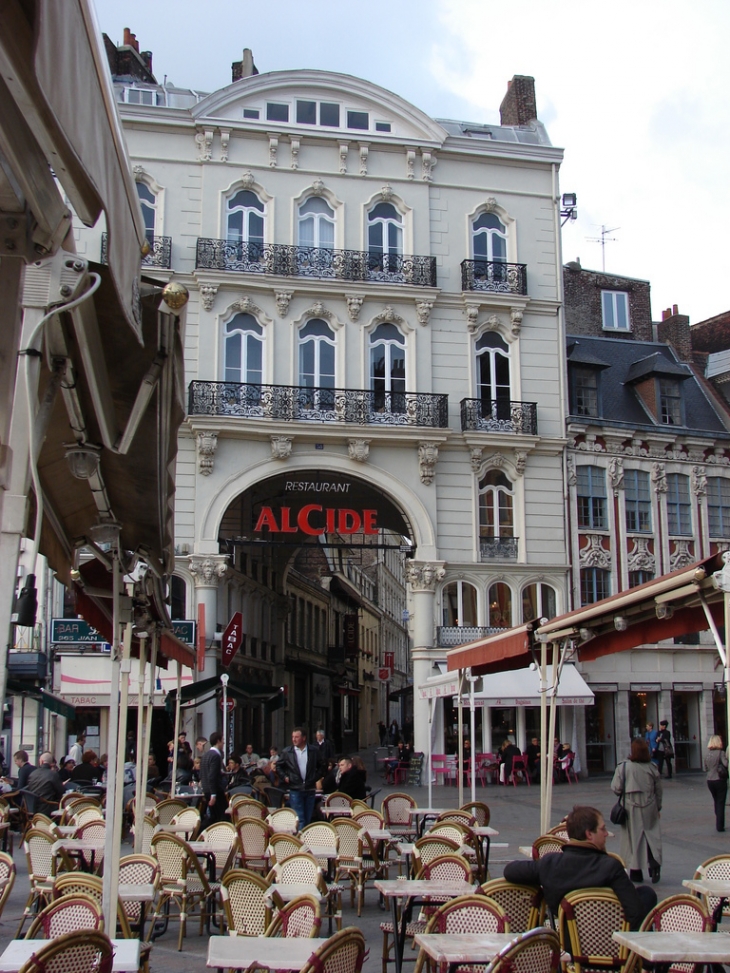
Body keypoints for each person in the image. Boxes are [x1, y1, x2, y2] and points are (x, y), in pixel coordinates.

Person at [503, 805, 656, 930]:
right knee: (646, 894)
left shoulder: (550, 864)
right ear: (589, 834)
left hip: (571, 948)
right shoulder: (610, 867)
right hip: (613, 946)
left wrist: (543, 888)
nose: (606, 834)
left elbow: (510, 871)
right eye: (602, 829)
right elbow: (635, 912)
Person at [611, 738, 662, 884]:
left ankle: (635, 871)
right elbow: (659, 790)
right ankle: (654, 863)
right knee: (652, 836)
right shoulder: (652, 768)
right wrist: (658, 807)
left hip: (630, 806)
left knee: (632, 839)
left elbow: (616, 788)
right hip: (650, 806)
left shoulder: (624, 767)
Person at [278, 727, 323, 828]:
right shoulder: (287, 752)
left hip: (310, 787)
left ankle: (305, 837)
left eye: (296, 737)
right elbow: (278, 766)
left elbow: (322, 765)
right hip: (295, 788)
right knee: (300, 817)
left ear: (303, 738)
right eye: (293, 737)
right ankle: (301, 840)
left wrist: (315, 777)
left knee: (308, 817)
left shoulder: (313, 751)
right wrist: (285, 777)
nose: (294, 739)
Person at [200, 730, 228, 824]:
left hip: (207, 789)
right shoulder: (215, 756)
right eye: (222, 740)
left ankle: (201, 833)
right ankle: (200, 832)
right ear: (218, 741)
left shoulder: (205, 755)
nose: (223, 742)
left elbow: (203, 774)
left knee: (213, 817)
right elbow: (212, 776)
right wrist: (213, 794)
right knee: (223, 816)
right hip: (215, 791)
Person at [704, 734, 728, 832]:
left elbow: (705, 768)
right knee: (721, 802)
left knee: (716, 801)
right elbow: (726, 764)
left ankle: (718, 819)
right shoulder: (720, 753)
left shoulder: (707, 754)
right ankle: (720, 825)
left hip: (710, 780)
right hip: (719, 779)